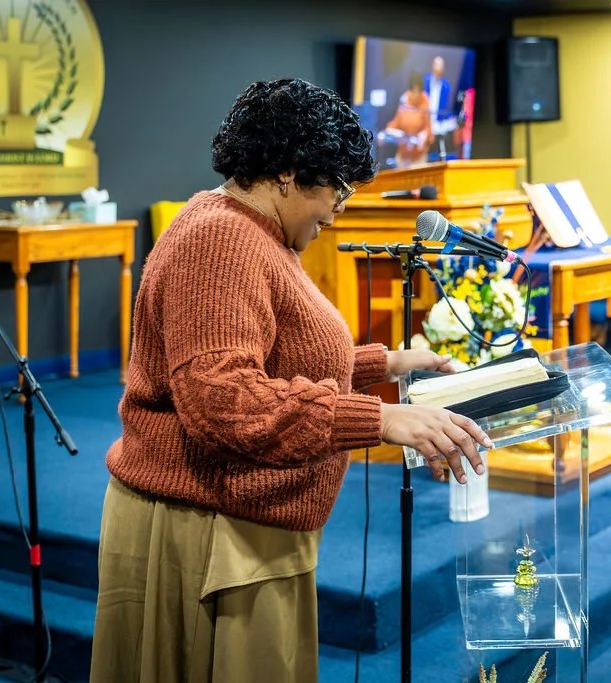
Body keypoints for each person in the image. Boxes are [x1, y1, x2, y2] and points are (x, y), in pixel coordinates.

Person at [89, 78, 491, 683]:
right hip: (203, 531)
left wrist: (384, 366)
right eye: (337, 189)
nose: (338, 209)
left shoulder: (249, 230)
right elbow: (224, 401)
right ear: (287, 173)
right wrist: (379, 418)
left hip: (237, 525)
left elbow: (266, 356)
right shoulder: (221, 240)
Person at [383, 71, 431, 168]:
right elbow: (396, 122)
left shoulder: (425, 100)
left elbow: (428, 127)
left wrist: (424, 135)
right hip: (403, 155)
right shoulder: (405, 99)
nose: (416, 94)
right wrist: (388, 131)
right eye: (413, 90)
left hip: (418, 157)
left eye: (418, 90)